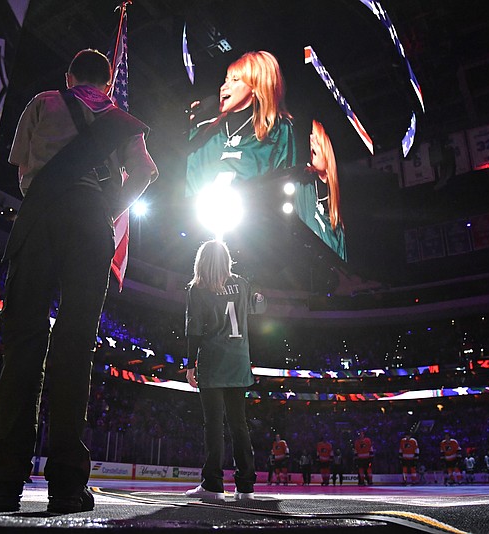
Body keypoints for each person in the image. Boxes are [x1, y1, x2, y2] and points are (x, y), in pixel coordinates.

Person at [0, 49, 158, 514]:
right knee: (75, 349)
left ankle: (2, 484)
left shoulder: (42, 101)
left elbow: (21, 172)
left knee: (23, 345)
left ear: (70, 75)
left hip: (38, 219)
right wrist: (106, 206)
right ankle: (66, 487)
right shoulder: (122, 119)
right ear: (108, 80)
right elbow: (146, 173)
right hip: (90, 224)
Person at [183, 240, 267, 502]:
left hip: (212, 360)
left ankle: (213, 484)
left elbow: (193, 330)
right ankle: (245, 486)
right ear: (227, 259)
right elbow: (258, 308)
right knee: (238, 424)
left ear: (202, 261)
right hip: (238, 361)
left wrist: (189, 365)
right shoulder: (242, 284)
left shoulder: (198, 289)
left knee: (214, 425)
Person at [186, 50, 296, 197]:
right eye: (226, 80)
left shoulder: (278, 131)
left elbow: (286, 181)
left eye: (235, 80)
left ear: (257, 87)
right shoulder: (204, 131)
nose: (224, 87)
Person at [292, 120, 346, 260]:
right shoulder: (304, 185)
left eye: (316, 139)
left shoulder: (340, 203)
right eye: (310, 137)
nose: (311, 141)